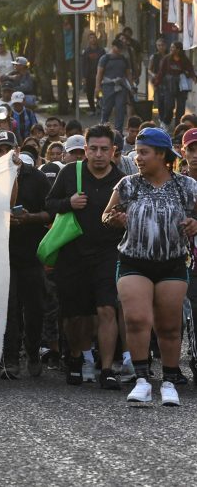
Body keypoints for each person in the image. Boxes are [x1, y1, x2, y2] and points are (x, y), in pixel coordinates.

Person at [102, 127, 197, 407]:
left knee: (169, 326)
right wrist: (113, 219)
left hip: (173, 263)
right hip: (133, 261)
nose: (138, 158)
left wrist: (195, 223)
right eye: (137, 153)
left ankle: (169, 381)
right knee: (136, 319)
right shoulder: (128, 184)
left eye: (144, 153)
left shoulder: (187, 186)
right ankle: (142, 380)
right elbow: (105, 215)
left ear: (162, 155)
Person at [44, 125, 125, 388]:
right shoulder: (70, 172)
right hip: (73, 253)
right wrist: (68, 203)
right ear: (86, 149)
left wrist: (123, 220)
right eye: (94, 149)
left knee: (107, 309)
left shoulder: (122, 180)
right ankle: (76, 358)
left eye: (104, 149)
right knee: (75, 315)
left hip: (108, 253)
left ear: (113, 151)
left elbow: (132, 215)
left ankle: (106, 369)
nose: (98, 154)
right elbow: (49, 204)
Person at [0, 131, 49, 379]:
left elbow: (51, 213)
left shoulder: (37, 177)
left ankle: (33, 353)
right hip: (1, 256)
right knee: (8, 309)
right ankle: (11, 359)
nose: (4, 154)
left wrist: (30, 218)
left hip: (31, 254)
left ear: (17, 150)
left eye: (8, 148)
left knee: (35, 308)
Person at [151, 41, 197, 129]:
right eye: (171, 47)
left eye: (173, 47)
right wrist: (156, 83)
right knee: (169, 105)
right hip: (169, 85)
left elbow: (190, 69)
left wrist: (194, 77)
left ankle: (178, 126)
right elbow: (161, 72)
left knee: (181, 107)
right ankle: (166, 122)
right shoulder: (166, 59)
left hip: (181, 86)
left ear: (179, 49)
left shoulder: (184, 59)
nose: (171, 49)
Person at [95, 39, 133, 132]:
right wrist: (97, 87)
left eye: (121, 48)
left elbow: (128, 73)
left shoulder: (124, 59)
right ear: (113, 46)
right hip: (108, 86)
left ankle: (118, 131)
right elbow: (99, 73)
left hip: (121, 86)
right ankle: (103, 129)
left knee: (120, 109)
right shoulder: (105, 58)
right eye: (117, 47)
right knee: (106, 108)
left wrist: (131, 86)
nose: (119, 50)